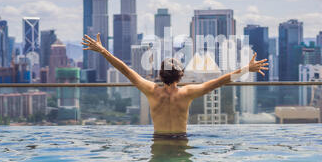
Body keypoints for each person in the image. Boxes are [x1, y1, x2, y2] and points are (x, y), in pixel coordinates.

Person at [82, 33, 268, 135]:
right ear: (180, 76)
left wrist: (103, 51)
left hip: (159, 142)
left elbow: (125, 70)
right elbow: (220, 81)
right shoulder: (187, 93)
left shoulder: (151, 91)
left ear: (160, 75)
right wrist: (246, 69)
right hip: (181, 142)